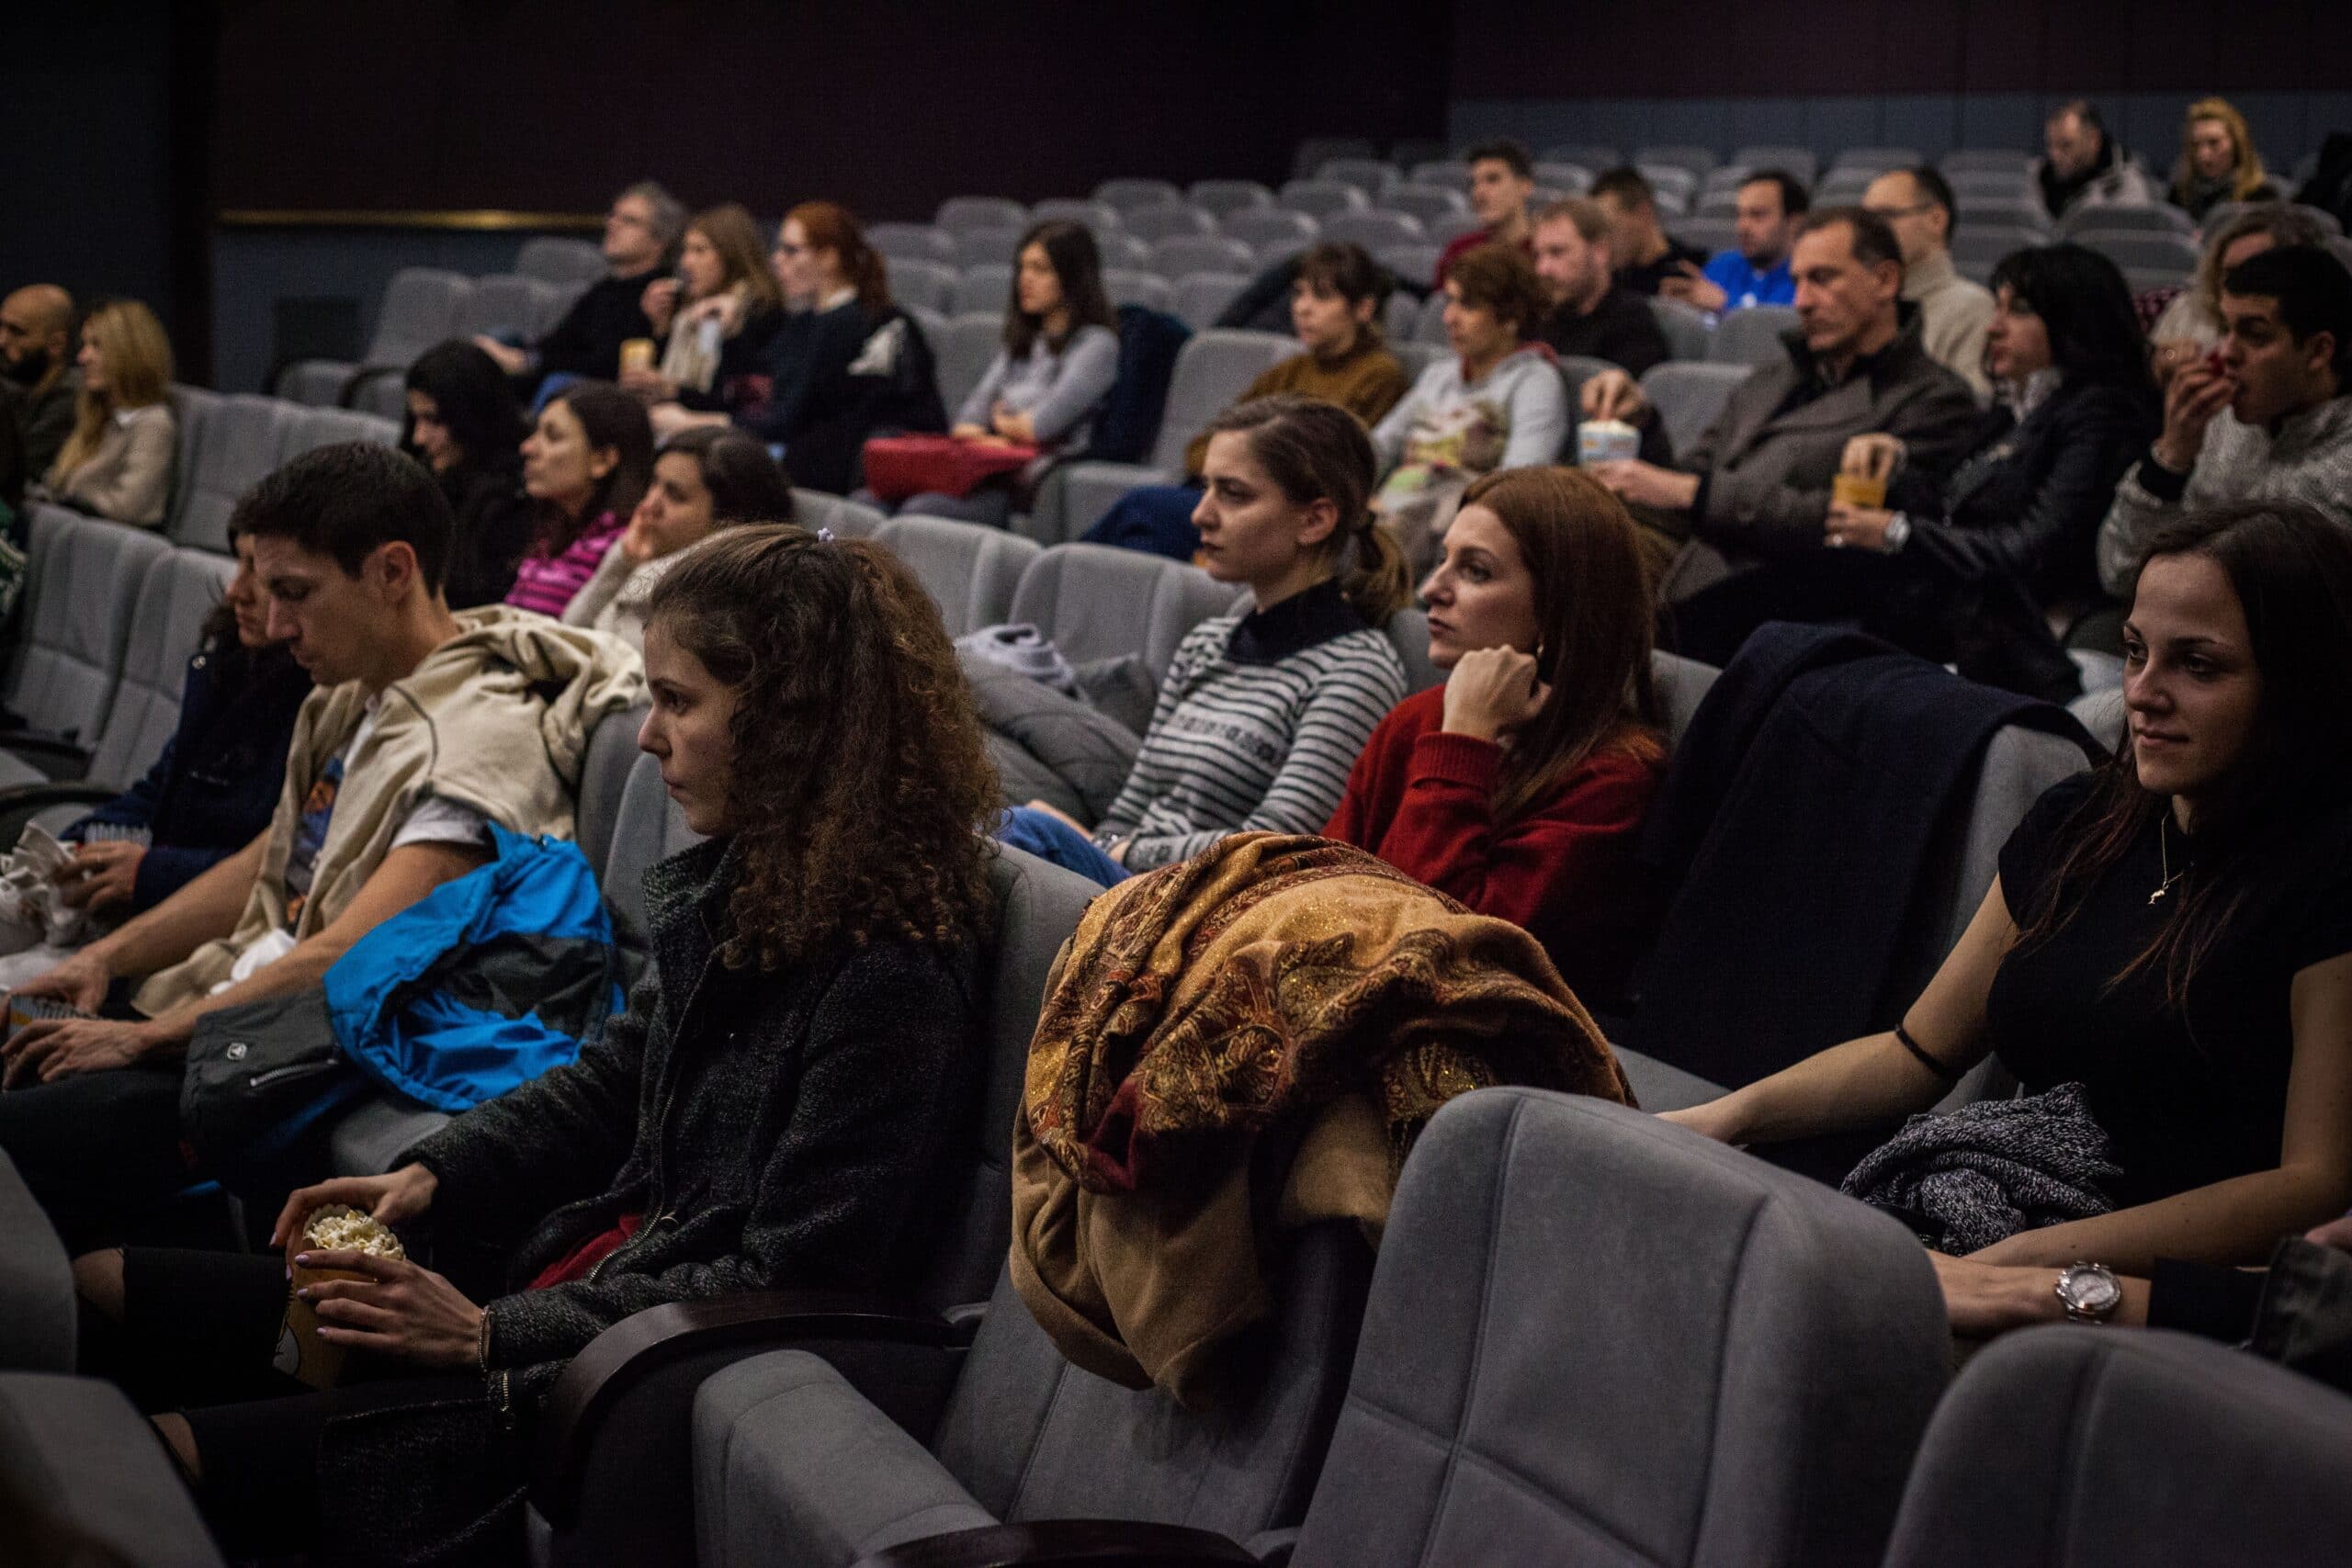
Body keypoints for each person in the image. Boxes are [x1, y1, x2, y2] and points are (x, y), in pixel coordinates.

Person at [67, 522, 998, 1564]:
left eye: (677, 701)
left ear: (793, 720)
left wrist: (484, 1334)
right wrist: (430, 1174)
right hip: (563, 1285)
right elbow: (612, 1080)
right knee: (106, 1286)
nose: (647, 738)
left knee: (146, 1463)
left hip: (604, 1384)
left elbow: (786, 1276)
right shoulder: (755, 881)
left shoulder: (892, 971)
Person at [1667, 503, 2352, 1279]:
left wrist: (2022, 1262)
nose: (2142, 691)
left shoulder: (2328, 873)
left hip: (2146, 1278)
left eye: (2197, 665)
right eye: (2135, 652)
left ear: (2298, 684)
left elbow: (2312, 1186)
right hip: (1999, 1212)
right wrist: (1725, 1118)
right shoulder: (2085, 818)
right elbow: (1913, 1055)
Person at [0, 442, 645, 1250]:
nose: (274, 626)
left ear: (392, 571)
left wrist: (141, 1037)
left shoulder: (477, 741)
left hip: (279, 1060)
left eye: (296, 593)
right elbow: (270, 861)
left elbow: (350, 951)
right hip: (224, 1012)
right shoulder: (358, 693)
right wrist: (104, 959)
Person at [1003, 396, 1410, 886]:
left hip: (1212, 906)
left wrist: (1113, 849)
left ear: (1314, 521)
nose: (1200, 515)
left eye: (1233, 494)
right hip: (1130, 888)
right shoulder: (1207, 642)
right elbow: (1131, 807)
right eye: (1205, 488)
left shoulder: (1356, 671)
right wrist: (1105, 847)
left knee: (1018, 831)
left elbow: (1273, 845)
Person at [1326, 467, 1667, 1008]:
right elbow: (1321, 885)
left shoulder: (1614, 778)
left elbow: (1440, 956)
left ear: (1557, 611)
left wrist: (1465, 741)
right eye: (1443, 560)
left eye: (1475, 571)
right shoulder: (1418, 719)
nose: (1431, 590)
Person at [1579, 209, 1980, 659]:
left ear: (1885, 281)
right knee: (1551, 527)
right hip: (1686, 563)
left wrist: (1697, 493)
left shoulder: (1935, 399)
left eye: (1822, 279)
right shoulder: (1772, 378)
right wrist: (1642, 423)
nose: (1802, 301)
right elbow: (1686, 475)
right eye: (1798, 281)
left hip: (1768, 600)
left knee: (1570, 565)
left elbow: (1851, 526)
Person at [0, 527, 314, 988]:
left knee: (11, 989)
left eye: (262, 574)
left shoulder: (321, 707)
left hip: (194, 945)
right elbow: (156, 790)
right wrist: (71, 854)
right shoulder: (230, 666)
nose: (235, 590)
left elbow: (272, 875)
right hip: (135, 903)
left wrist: (148, 875)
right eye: (240, 563)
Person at [1828, 244, 2159, 614]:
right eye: (1997, 308)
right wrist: (1896, 469)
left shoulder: (2102, 415)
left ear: (2074, 318)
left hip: (2036, 619)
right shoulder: (2018, 406)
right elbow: (1950, 502)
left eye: (2019, 310)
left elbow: (2034, 551)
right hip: (1969, 607)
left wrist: (1897, 533)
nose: (1994, 327)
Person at [1082, 241, 1409, 559]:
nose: (1302, 308)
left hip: (1279, 516)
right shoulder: (1292, 368)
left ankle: (1067, 570)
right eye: (1299, 293)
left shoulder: (1380, 375)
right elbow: (1207, 442)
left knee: (1142, 507)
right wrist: (1235, 468)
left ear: (1363, 309)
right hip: (1234, 497)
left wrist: (1237, 468)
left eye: (1321, 297)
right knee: (1141, 544)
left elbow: (1323, 469)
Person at [2098, 245, 2352, 598]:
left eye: (2255, 335)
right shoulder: (2216, 423)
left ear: (2318, 351)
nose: (2225, 353)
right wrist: (2169, 460)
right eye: (2226, 329)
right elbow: (2119, 571)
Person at [665, 200, 947, 496]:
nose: (777, 260)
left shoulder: (869, 322)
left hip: (852, 475)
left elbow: (790, 419)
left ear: (828, 258)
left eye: (791, 250)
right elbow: (751, 393)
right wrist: (733, 335)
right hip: (809, 465)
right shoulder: (804, 324)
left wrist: (697, 422)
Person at [900, 220, 1119, 526]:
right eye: (1023, 268)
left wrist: (1000, 423)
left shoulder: (1097, 345)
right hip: (988, 475)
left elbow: (1039, 426)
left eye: (1040, 269)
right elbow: (965, 423)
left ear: (1073, 277)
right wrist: (1004, 433)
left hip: (1033, 485)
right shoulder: (1023, 342)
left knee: (918, 510)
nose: (1025, 279)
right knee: (871, 499)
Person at [1372, 243, 1569, 572]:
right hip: (1388, 519)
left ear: (1510, 316)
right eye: (1449, 301)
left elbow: (1515, 485)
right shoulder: (1439, 375)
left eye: (1468, 305)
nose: (1449, 317)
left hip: (1453, 537)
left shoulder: (1534, 381)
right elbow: (1379, 446)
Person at [561, 426, 794, 650]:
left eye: (675, 495)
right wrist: (621, 562)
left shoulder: (722, 600)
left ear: (729, 521)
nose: (648, 505)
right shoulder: (642, 554)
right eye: (653, 484)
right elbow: (565, 637)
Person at [474, 182, 685, 390]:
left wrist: (528, 362)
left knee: (554, 380)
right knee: (499, 339)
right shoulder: (606, 287)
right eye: (613, 216)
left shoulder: (661, 293)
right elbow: (559, 341)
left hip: (593, 387)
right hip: (554, 369)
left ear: (659, 241)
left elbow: (609, 365)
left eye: (629, 220)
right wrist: (523, 357)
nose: (613, 225)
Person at [401, 340, 532, 609]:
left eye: (433, 420)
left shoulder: (517, 499)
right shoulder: (421, 479)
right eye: (416, 419)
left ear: (471, 418)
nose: (418, 437)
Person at [624, 203, 784, 419]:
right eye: (686, 251)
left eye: (700, 251)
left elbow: (737, 401)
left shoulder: (760, 311)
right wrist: (660, 328)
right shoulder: (689, 312)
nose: (686, 263)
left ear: (731, 255)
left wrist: (671, 390)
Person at [506, 382, 654, 616]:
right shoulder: (549, 537)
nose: (527, 448)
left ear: (602, 460)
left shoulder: (628, 549)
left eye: (552, 436)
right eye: (535, 432)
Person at [2147, 205, 2333, 383]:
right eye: (2228, 273)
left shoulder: (2304, 334)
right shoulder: (2188, 310)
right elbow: (2158, 365)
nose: (2235, 285)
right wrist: (2164, 364)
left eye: (2253, 274)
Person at [38, 299, 175, 528]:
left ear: (131, 352)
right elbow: (54, 484)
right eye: (84, 345)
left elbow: (128, 508)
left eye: (97, 346)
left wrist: (68, 499)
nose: (83, 357)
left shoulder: (154, 423)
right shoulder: (98, 415)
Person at [1864, 165, 1996, 397]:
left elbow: (1969, 408)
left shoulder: (1972, 308)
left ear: (1936, 219)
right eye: (1865, 221)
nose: (1869, 233)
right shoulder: (1862, 306)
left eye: (1885, 216)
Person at [1532, 197, 1670, 376]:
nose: (1542, 269)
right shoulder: (1542, 321)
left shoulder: (1632, 324)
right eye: (1538, 256)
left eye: (1557, 252)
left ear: (1600, 251)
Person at [1670, 169, 1808, 314]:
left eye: (1757, 215)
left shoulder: (1805, 280)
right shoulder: (1722, 265)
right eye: (1740, 215)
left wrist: (1725, 304)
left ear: (1793, 222)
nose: (1743, 227)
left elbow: (1783, 326)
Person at [0, 284, 79, 501]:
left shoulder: (71, 397)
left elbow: (15, 467)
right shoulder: (16, 389)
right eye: (1, 326)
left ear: (56, 344)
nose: (2, 341)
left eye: (17, 332)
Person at [1590, 166, 1711, 298]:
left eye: (1611, 228)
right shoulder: (1605, 280)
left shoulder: (1694, 269)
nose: (1604, 241)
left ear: (1643, 214)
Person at [2035, 99, 2159, 223]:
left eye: (2066, 145)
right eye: (2050, 145)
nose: (2054, 155)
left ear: (2094, 140)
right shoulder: (2038, 177)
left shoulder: (2129, 185)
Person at [1434, 138, 1538, 287]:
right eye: (1473, 183)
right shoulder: (1459, 252)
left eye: (1492, 179)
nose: (1479, 193)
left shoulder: (1548, 253)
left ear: (1525, 186)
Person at [2170, 96, 2280, 226]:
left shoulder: (2262, 197)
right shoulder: (2177, 197)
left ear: (2237, 144)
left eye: (2214, 142)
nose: (2203, 155)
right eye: (2195, 145)